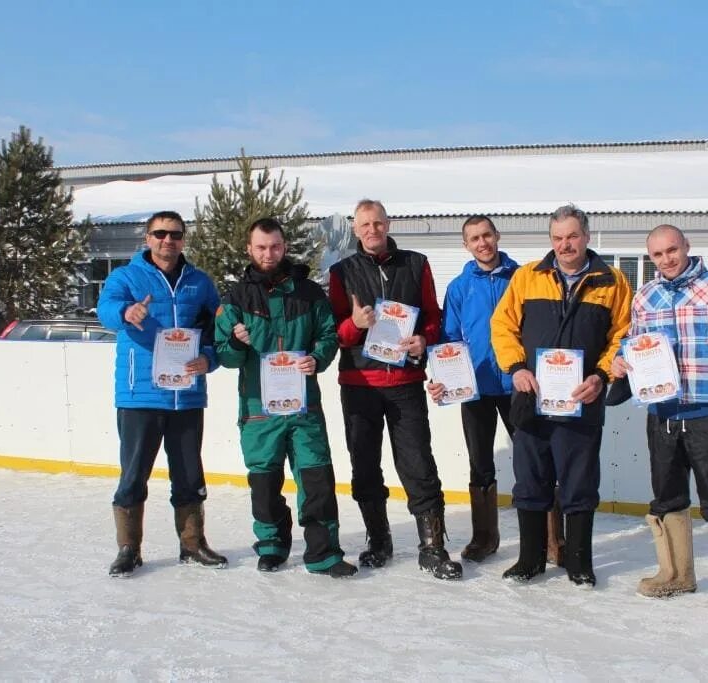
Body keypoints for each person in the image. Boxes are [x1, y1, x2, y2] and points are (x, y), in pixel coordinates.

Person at [609, 224, 708, 620]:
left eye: (672, 250)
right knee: (667, 497)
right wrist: (620, 361)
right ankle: (676, 574)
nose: (667, 259)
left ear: (686, 247)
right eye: (658, 255)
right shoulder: (645, 296)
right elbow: (633, 343)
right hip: (661, 414)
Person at [491, 204, 632, 585]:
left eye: (572, 236)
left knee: (579, 484)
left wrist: (601, 375)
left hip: (582, 400)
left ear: (586, 236)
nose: (565, 245)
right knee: (530, 482)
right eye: (557, 238)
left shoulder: (613, 281)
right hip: (531, 400)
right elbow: (502, 326)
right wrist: (516, 367)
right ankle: (530, 559)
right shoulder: (527, 277)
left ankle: (579, 561)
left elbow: (622, 336)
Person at [214, 218, 357, 578]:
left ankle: (323, 553)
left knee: (317, 480)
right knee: (264, 484)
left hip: (303, 407)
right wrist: (235, 342)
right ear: (249, 248)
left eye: (275, 246)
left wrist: (317, 357)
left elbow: (327, 335)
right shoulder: (236, 299)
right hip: (258, 410)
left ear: (284, 246)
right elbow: (225, 357)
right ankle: (273, 544)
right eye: (261, 247)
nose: (268, 253)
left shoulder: (308, 293)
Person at [328, 199, 462, 580]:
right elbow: (335, 331)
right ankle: (378, 540)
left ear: (389, 225)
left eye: (379, 223)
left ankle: (433, 547)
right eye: (365, 224)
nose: (373, 230)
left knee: (419, 463)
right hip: (360, 384)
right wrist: (354, 324)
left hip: (405, 383)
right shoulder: (342, 272)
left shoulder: (415, 264)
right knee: (365, 466)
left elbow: (433, 315)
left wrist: (423, 339)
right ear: (355, 229)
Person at [427, 215, 566, 565]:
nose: (482, 242)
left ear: (497, 236)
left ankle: (552, 539)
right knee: (480, 465)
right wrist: (443, 376)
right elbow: (450, 340)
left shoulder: (523, 278)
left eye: (486, 235)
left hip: (519, 385)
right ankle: (485, 537)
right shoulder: (459, 287)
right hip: (473, 390)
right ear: (466, 245)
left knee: (537, 462)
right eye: (474, 238)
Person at [97, 210, 226, 577]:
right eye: (160, 234)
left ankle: (192, 543)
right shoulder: (125, 277)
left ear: (184, 239)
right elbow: (105, 309)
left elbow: (216, 329)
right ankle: (128, 548)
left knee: (188, 473)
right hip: (140, 395)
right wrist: (126, 311)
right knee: (134, 474)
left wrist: (209, 359)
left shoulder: (199, 283)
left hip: (186, 394)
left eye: (175, 234)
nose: (167, 240)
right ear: (147, 238)